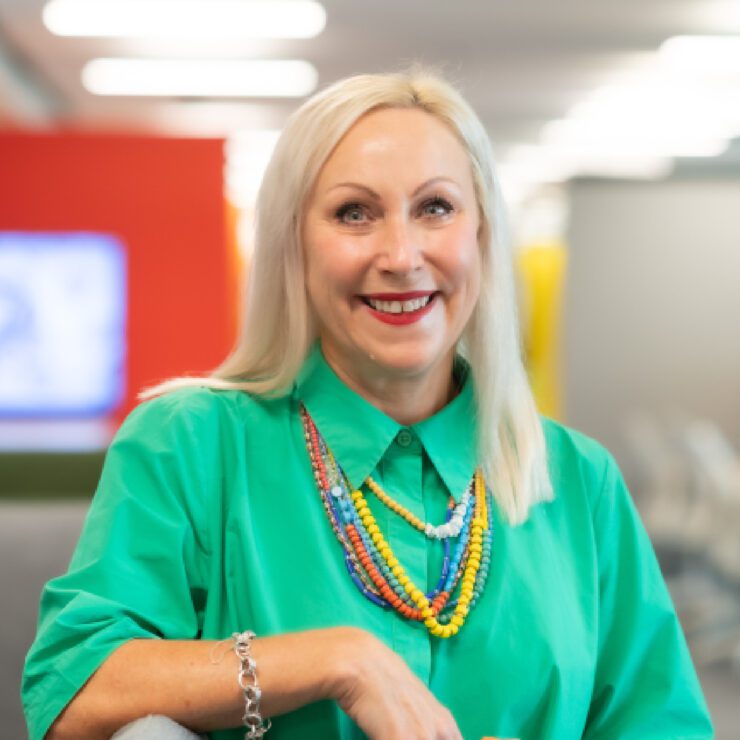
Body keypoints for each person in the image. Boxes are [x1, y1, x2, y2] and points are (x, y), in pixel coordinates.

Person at [22, 70, 712, 740]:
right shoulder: (192, 443)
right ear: (294, 244)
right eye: (354, 213)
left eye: (435, 208)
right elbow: (72, 689)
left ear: (481, 234)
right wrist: (335, 661)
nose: (401, 255)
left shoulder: (579, 479)